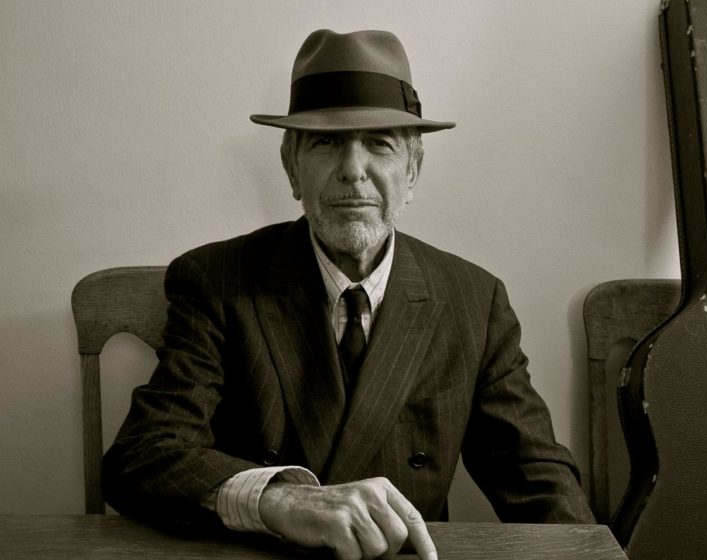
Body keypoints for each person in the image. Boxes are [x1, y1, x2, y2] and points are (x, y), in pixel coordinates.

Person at [102, 29, 594, 560]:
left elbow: (537, 479)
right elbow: (143, 456)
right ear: (291, 166)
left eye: (379, 142)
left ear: (412, 171)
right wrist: (283, 500)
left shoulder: (475, 300)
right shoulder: (217, 281)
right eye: (326, 142)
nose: (352, 171)